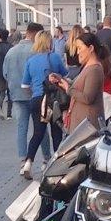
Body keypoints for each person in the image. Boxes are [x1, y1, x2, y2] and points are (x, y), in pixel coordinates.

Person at [21, 29, 66, 177]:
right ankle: (57, 165)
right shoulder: (55, 58)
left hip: (36, 99)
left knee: (38, 133)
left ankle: (28, 162)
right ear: (49, 42)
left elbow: (25, 85)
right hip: (53, 101)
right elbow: (65, 76)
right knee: (56, 133)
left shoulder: (30, 61)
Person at [55, 31, 110, 133]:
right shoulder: (87, 67)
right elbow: (78, 87)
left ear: (90, 49)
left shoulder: (94, 69)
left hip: (88, 126)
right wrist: (60, 80)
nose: (78, 52)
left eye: (80, 48)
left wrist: (68, 89)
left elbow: (87, 97)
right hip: (81, 125)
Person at [4, 22, 41, 163]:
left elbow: (5, 73)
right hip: (35, 94)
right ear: (35, 34)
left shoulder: (11, 51)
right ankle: (46, 157)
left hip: (17, 94)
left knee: (21, 127)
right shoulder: (36, 51)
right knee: (40, 128)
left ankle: (22, 158)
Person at [0, 28, 12, 117]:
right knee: (10, 93)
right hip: (10, 73)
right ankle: (9, 114)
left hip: (0, 73)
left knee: (2, 92)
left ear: (0, 37)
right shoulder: (11, 47)